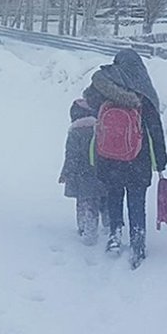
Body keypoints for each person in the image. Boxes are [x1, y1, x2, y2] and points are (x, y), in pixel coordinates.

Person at [83, 49, 167, 269]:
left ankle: (115, 235)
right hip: (138, 159)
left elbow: (88, 99)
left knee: (114, 195)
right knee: (136, 200)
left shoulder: (105, 87)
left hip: (109, 157)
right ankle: (138, 241)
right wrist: (161, 162)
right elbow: (155, 130)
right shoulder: (144, 93)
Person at [59, 99, 110, 245]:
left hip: (83, 175)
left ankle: (87, 231)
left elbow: (71, 156)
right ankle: (109, 226)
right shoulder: (101, 127)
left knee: (86, 203)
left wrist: (66, 172)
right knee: (105, 200)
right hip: (102, 173)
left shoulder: (75, 131)